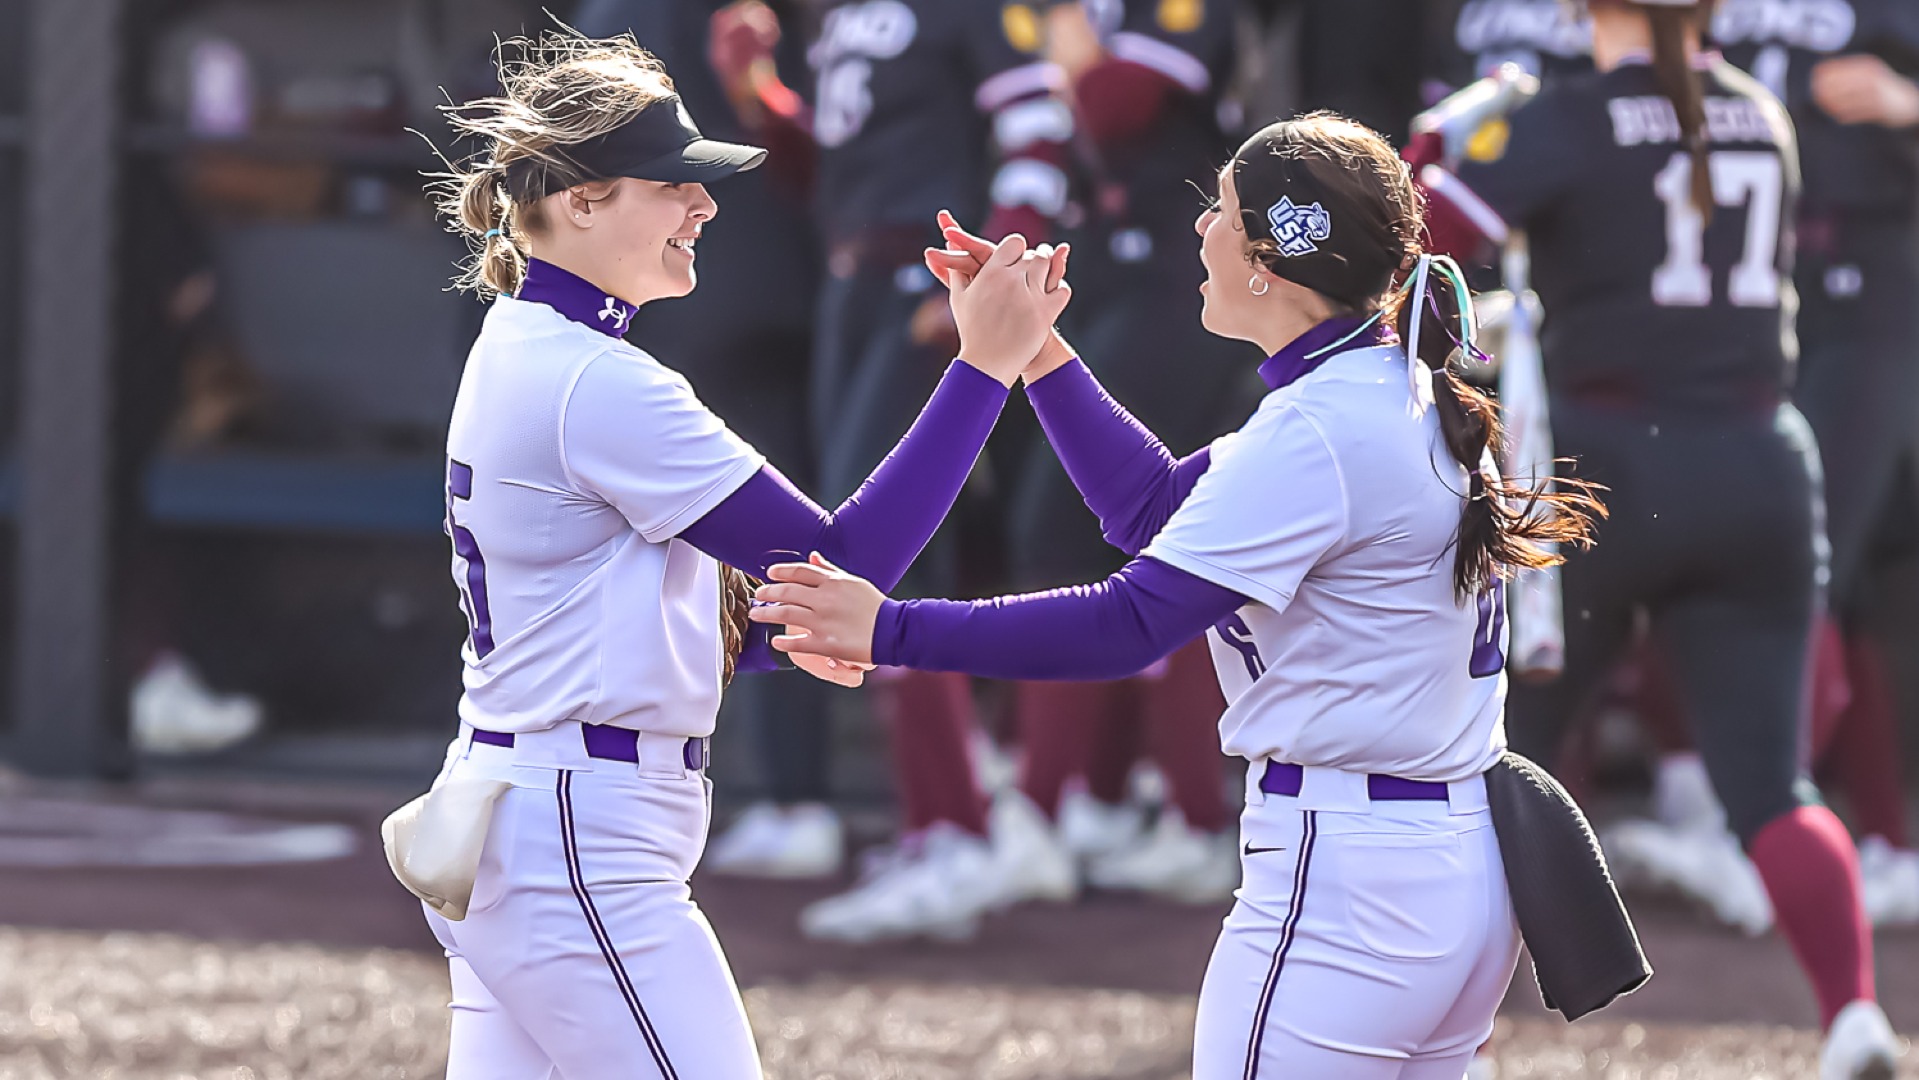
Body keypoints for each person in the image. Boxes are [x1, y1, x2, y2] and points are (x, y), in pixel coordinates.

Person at [753, 112, 1600, 1078]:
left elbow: (1129, 623)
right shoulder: (1386, 389)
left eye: (1222, 212)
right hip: (1444, 871)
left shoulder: (1319, 426)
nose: (1198, 229)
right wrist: (1040, 351)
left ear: (1269, 265)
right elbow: (1156, 508)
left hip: (1350, 879)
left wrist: (891, 629)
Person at [417, 30, 1066, 1077]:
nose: (701, 205)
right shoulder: (597, 379)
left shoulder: (526, 341)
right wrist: (985, 367)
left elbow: (739, 610)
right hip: (579, 840)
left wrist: (769, 631)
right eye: (669, 183)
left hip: (532, 812)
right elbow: (841, 567)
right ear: (579, 202)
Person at [1415, 1, 1901, 1074]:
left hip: (1609, 464)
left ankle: (1444, 1034)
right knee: (1773, 788)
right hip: (1761, 458)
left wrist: (1429, 148)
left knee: (1497, 757)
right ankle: (1854, 1016)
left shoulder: (1569, 116)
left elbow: (1417, 239)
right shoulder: (1758, 110)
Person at [708, 0, 1082, 942]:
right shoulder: (844, 18)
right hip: (855, 283)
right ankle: (959, 819)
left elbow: (1039, 129)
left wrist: (994, 274)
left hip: (927, 280)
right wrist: (761, 98)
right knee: (863, 550)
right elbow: (831, 169)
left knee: (878, 562)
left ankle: (956, 829)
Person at [569, 0, 846, 881]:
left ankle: (797, 796)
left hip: (717, 303)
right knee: (764, 560)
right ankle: (790, 795)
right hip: (778, 290)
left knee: (777, 558)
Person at [989, 0, 1257, 904]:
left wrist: (1075, 52)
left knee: (1109, 532)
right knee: (1081, 536)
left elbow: (1112, 104)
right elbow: (1048, 127)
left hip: (1175, 288)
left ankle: (1119, 809)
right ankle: (1102, 800)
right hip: (1112, 270)